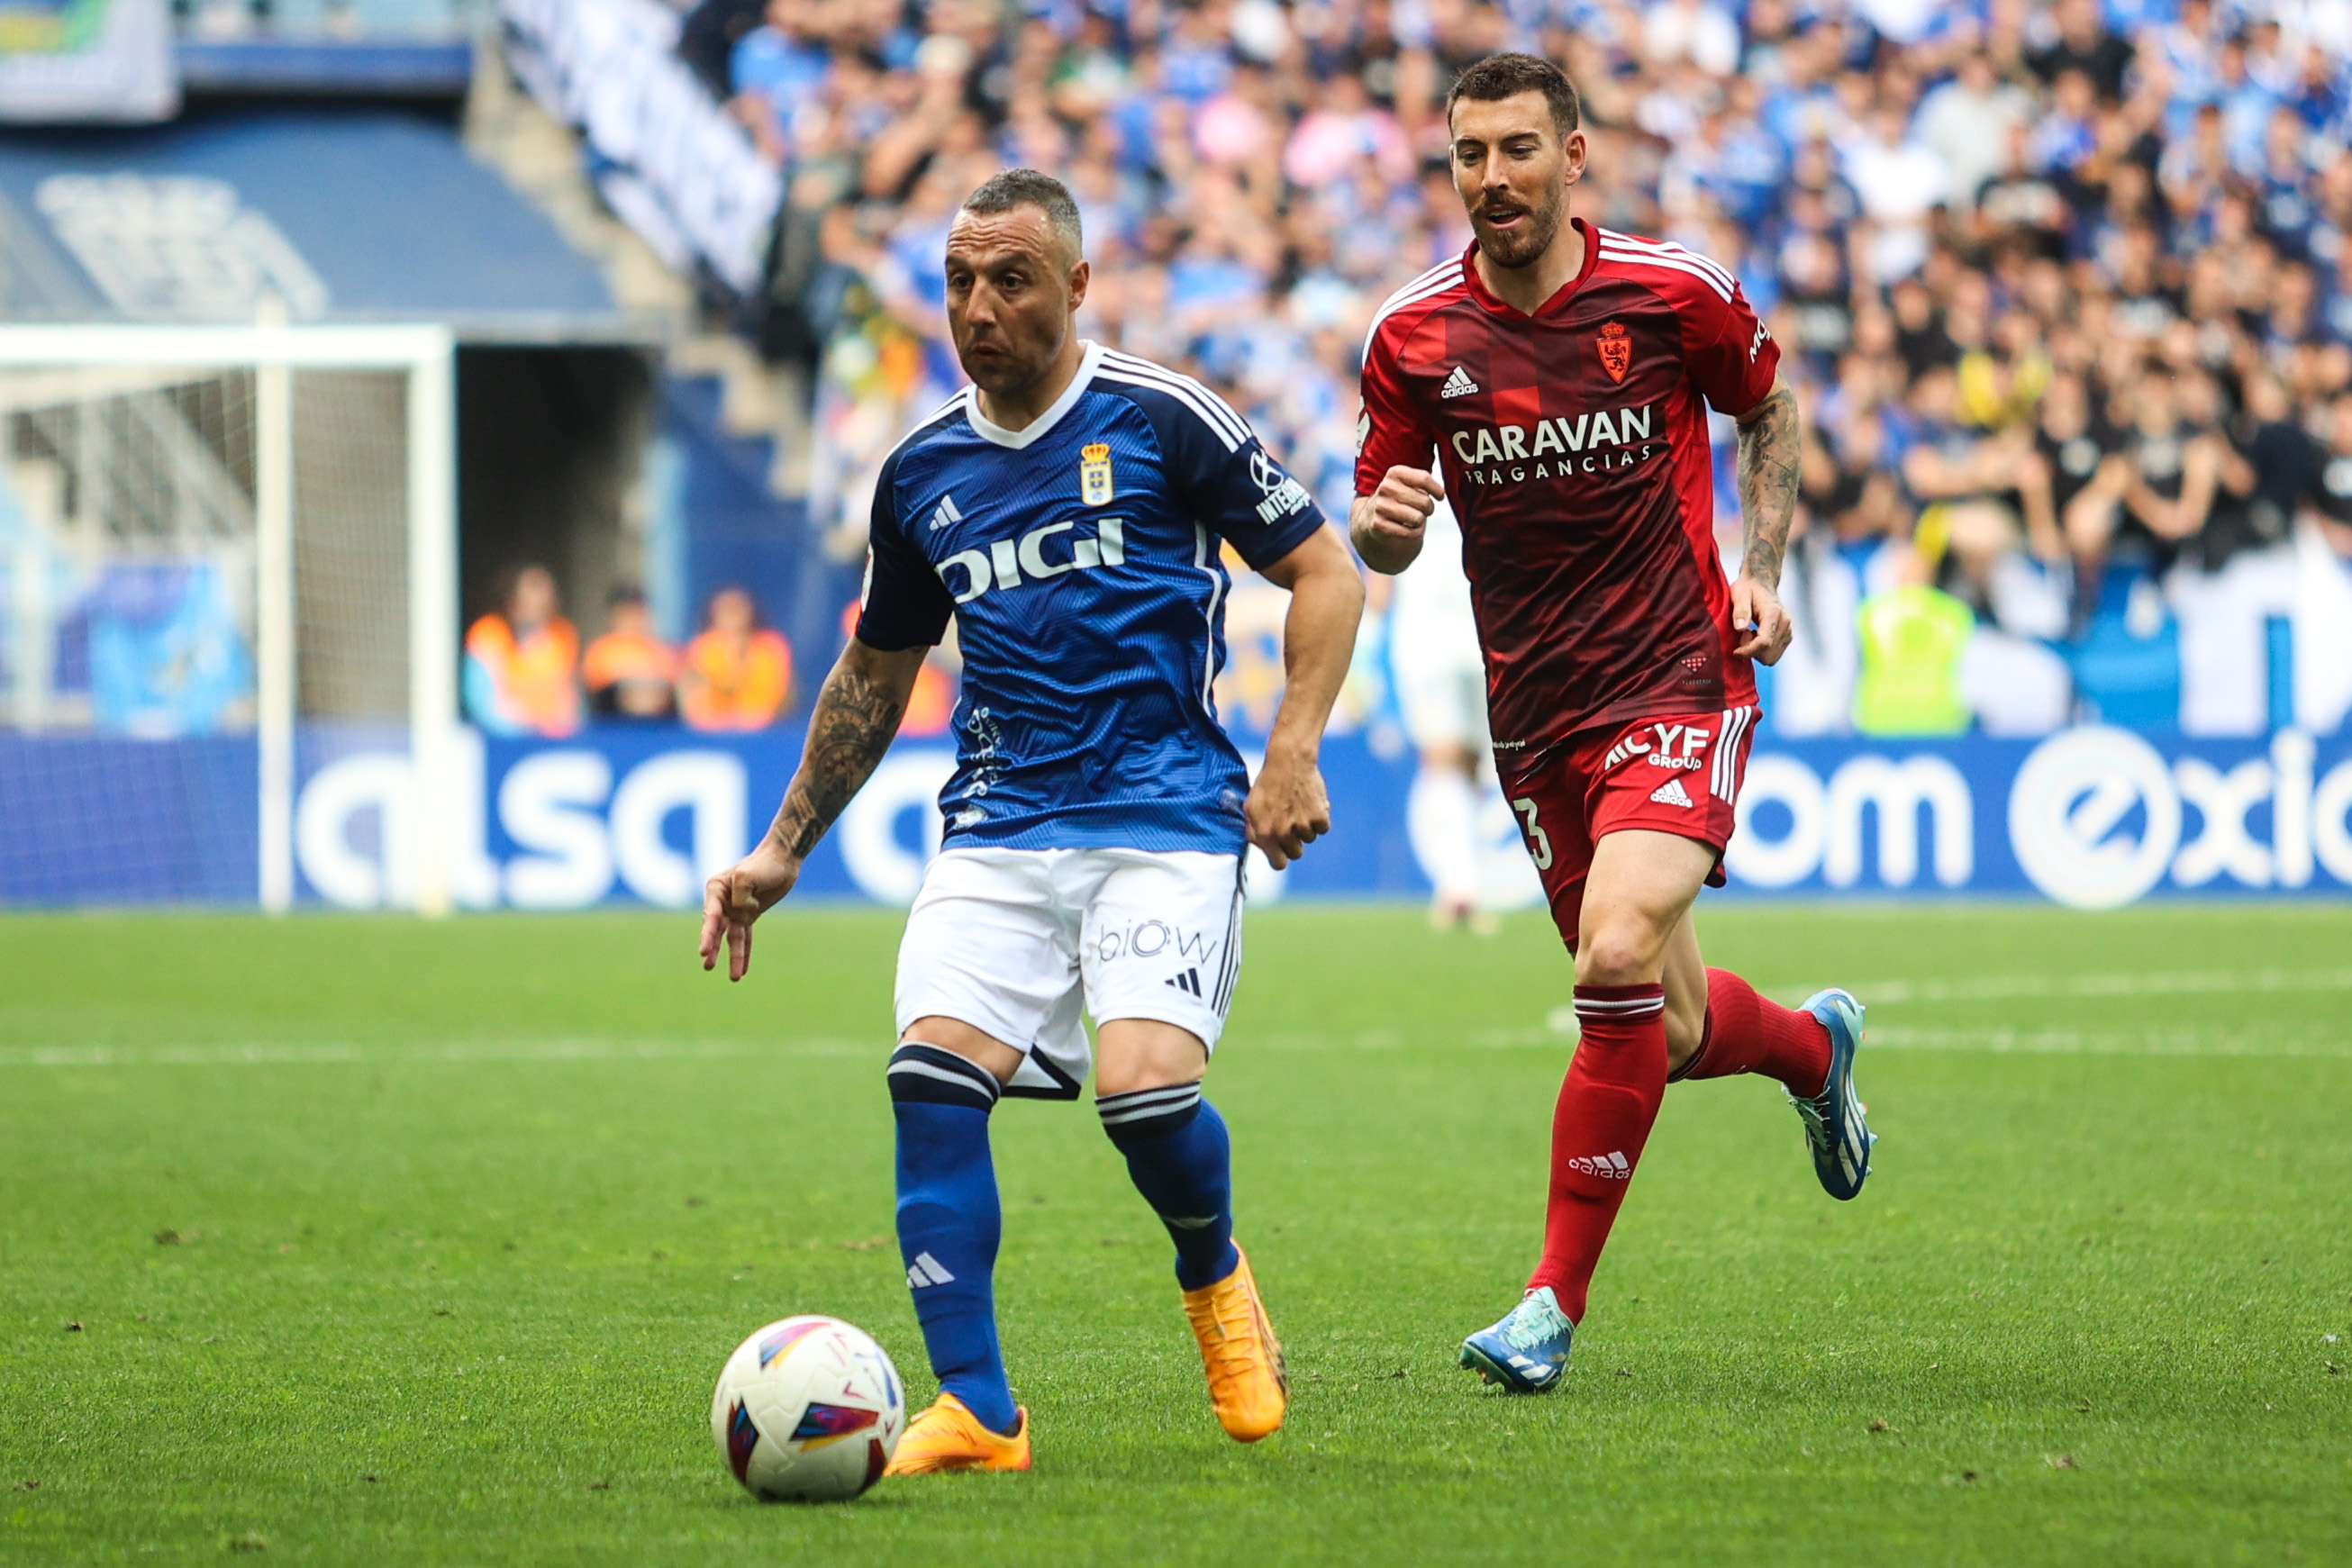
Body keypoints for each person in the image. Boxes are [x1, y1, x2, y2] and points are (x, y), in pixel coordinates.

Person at [698, 170, 1364, 1470]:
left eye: (1008, 279)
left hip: (1168, 813)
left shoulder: (1163, 418)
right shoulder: (920, 470)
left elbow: (1323, 568)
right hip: (999, 824)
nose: (977, 307)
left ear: (1072, 285)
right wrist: (783, 846)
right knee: (928, 1077)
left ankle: (1214, 1277)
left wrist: (1291, 752)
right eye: (956, 282)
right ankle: (979, 1410)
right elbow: (873, 672)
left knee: (1140, 1099)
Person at [1350, 54, 1874, 1393]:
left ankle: (1546, 1306)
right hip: (1534, 711)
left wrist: (1761, 564)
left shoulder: (1669, 291)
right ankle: (1813, 1049)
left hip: (1677, 676)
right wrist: (1380, 527)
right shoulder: (1411, 335)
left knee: (1612, 955)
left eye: (1516, 149)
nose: (1491, 179)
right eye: (1468, 155)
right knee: (1673, 1026)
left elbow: (1766, 406)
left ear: (1572, 155)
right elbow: (1375, 512)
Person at [462, 565, 580, 738]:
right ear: (512, 599)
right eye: (532, 592)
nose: (538, 602)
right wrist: (528, 728)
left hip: (552, 741)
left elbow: (571, 699)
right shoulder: (489, 634)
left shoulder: (562, 635)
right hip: (502, 741)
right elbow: (480, 702)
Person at [680, 586, 794, 730]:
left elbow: (778, 693)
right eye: (726, 609)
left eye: (738, 608)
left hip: (763, 728)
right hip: (712, 730)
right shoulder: (702, 648)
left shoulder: (770, 647)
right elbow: (697, 699)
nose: (733, 613)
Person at [582, 585, 679, 723]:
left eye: (637, 612)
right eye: (626, 612)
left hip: (656, 728)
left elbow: (669, 692)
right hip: (614, 728)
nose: (632, 618)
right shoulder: (601, 651)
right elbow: (599, 695)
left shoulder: (659, 650)